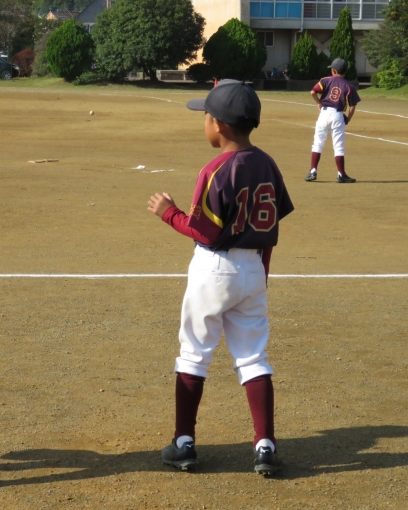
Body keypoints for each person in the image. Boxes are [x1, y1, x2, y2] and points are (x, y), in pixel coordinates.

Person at [147, 80, 294, 475]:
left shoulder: (215, 169)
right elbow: (271, 227)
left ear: (220, 125)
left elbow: (205, 232)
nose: (205, 123)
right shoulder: (268, 164)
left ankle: (183, 443)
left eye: (206, 117)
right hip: (253, 267)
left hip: (214, 268)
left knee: (194, 352)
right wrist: (260, 275)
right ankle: (265, 445)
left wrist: (168, 213)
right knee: (253, 356)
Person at [304, 58, 360, 183]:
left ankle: (313, 171)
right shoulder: (349, 85)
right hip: (338, 115)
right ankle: (341, 174)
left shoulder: (325, 80)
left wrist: (319, 102)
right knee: (338, 145)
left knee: (318, 142)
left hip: (324, 113)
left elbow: (313, 92)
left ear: (333, 70)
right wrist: (348, 119)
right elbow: (352, 106)